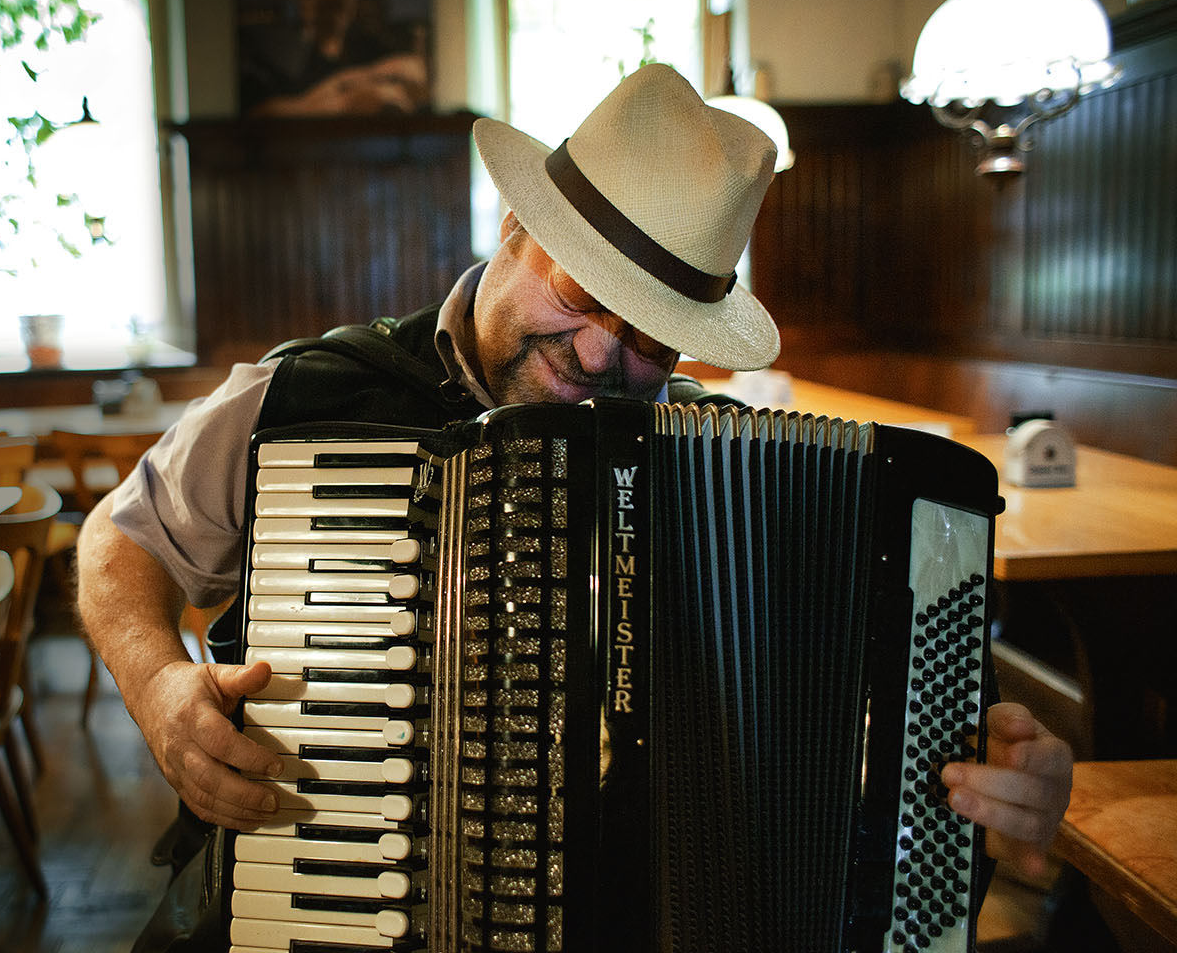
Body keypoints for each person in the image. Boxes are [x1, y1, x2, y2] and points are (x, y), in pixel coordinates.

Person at [76, 63, 1072, 940]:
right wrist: (161, 690)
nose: (602, 356)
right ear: (516, 229)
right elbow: (120, 545)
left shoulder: (726, 469)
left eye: (649, 336)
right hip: (318, 889)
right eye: (582, 295)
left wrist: (993, 781)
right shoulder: (302, 398)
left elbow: (872, 724)